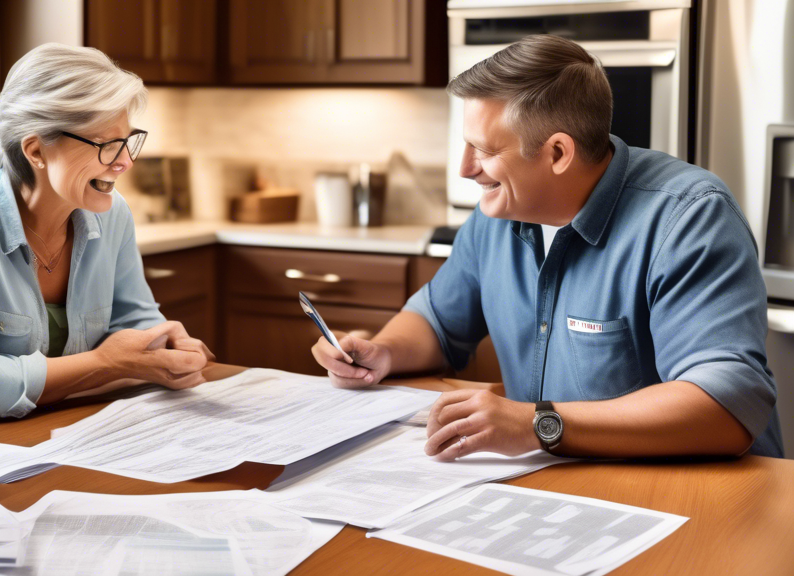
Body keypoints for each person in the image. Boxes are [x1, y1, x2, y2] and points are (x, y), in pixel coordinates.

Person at [311, 34, 782, 460]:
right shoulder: (498, 213)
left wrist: (539, 424)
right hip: (561, 484)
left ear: (558, 153)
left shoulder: (690, 218)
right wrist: (384, 352)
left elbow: (725, 405)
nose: (465, 168)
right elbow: (436, 322)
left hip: (701, 497)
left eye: (486, 150)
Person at [0, 43, 213, 434]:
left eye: (128, 141)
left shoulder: (113, 213)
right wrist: (108, 362)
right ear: (36, 150)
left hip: (56, 439)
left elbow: (137, 326)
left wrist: (168, 351)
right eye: (106, 145)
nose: (125, 162)